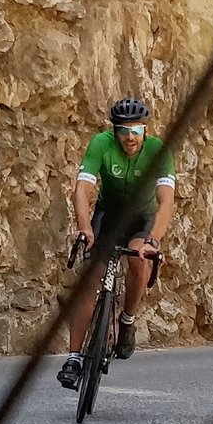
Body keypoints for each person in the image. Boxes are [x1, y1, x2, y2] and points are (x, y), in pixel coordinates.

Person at [59, 97, 175, 391]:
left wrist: (153, 241)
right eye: (123, 130)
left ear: (145, 130)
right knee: (89, 280)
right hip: (108, 216)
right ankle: (73, 358)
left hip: (142, 219)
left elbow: (166, 202)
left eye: (136, 130)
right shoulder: (101, 143)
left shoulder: (157, 150)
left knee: (138, 259)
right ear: (114, 130)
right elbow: (83, 190)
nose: (129, 137)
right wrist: (85, 228)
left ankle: (127, 319)